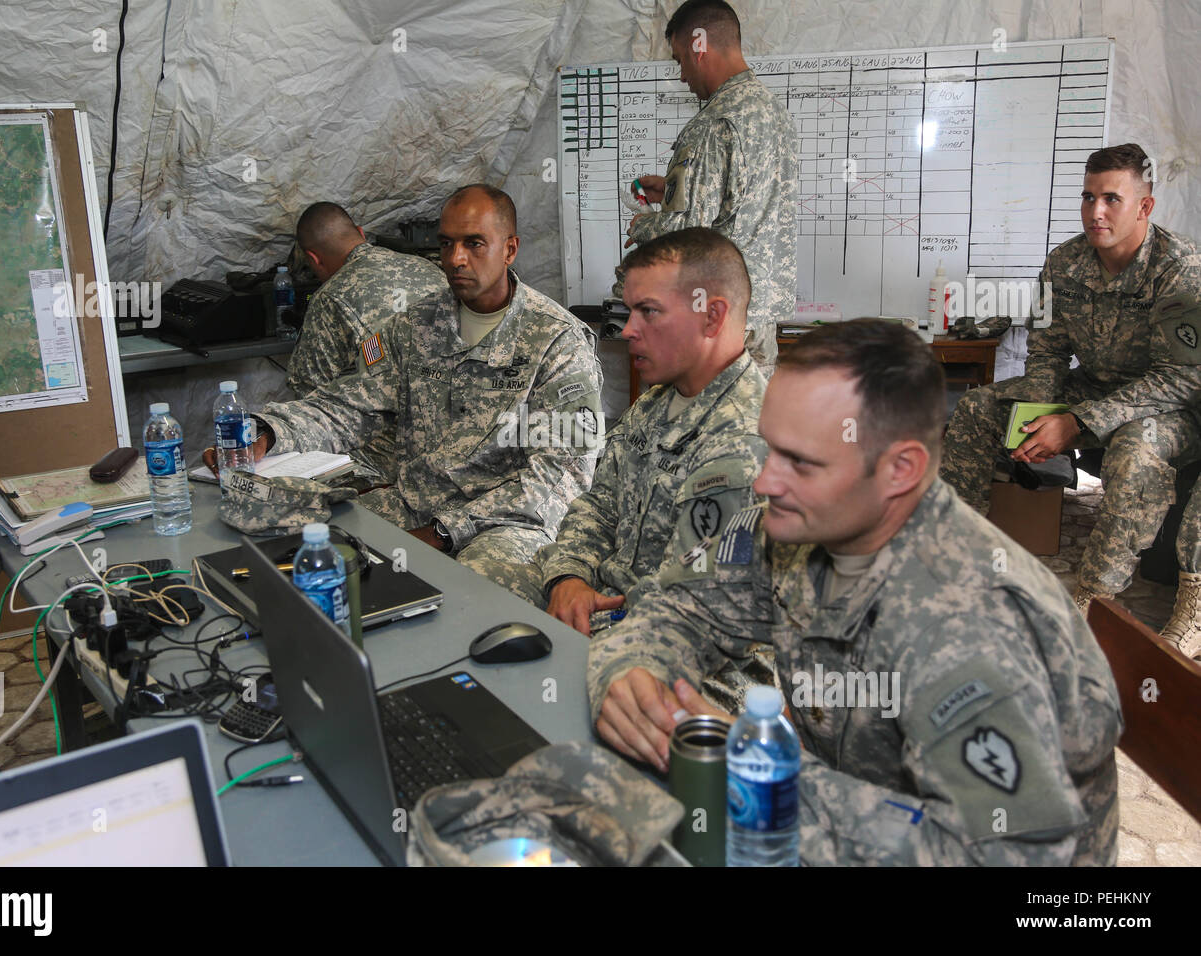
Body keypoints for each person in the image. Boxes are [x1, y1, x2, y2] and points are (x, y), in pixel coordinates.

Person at [589, 320, 1123, 865]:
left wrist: (763, 777)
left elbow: (1008, 855)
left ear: (900, 469)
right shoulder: (791, 528)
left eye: (801, 461)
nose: (765, 481)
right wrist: (630, 674)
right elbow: (678, 609)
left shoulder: (975, 629)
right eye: (771, 449)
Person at [207, 184, 604, 574]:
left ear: (510, 249)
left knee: (481, 584)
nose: (456, 259)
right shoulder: (417, 325)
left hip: (506, 523)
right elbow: (348, 405)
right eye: (446, 244)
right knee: (305, 546)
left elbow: (561, 476)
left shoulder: (557, 340)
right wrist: (269, 433)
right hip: (417, 504)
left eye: (474, 243)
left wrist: (444, 532)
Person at [473, 228, 768, 704]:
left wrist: (585, 619)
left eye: (648, 312)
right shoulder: (657, 403)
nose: (627, 329)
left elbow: (689, 606)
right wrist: (568, 576)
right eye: (629, 311)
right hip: (611, 610)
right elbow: (598, 502)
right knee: (479, 597)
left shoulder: (746, 441)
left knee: (525, 696)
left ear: (712, 316)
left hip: (693, 663)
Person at [939, 144, 1201, 655]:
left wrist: (1078, 421)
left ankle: (1094, 595)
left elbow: (1181, 377)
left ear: (1144, 207)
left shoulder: (1179, 267)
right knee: (977, 408)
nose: (1095, 212)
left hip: (1163, 405)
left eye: (1111, 199)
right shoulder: (1065, 261)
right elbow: (1048, 350)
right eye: (1087, 197)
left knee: (1133, 452)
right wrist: (1037, 420)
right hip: (1093, 386)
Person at [620, 0, 796, 370]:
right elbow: (737, 200)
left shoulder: (714, 122)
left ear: (699, 45)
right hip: (759, 316)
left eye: (680, 59)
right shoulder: (773, 111)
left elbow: (688, 232)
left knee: (707, 424)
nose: (682, 75)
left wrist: (645, 225)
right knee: (753, 423)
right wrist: (670, 187)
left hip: (718, 319)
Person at [286, 202, 448, 398]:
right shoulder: (429, 268)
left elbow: (308, 390)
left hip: (394, 420)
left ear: (314, 259)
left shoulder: (330, 297)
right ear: (361, 234)